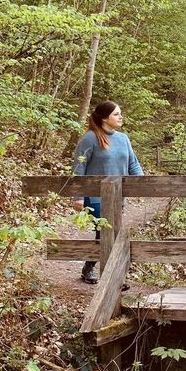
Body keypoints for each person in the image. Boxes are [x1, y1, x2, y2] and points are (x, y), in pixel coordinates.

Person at [73, 101, 144, 284]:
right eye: (116, 114)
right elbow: (79, 168)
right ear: (105, 118)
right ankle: (112, 278)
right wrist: (78, 196)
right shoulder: (90, 138)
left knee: (111, 233)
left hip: (118, 195)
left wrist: (143, 183)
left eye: (120, 113)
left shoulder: (123, 138)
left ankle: (91, 267)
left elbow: (133, 164)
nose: (120, 117)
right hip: (95, 196)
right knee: (105, 232)